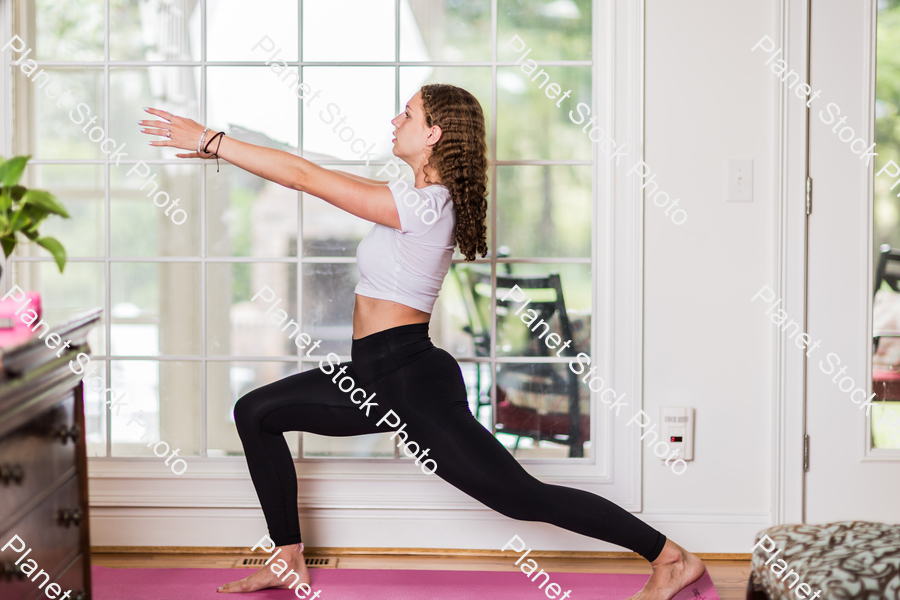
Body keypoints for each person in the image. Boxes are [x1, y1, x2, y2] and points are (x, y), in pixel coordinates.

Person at [139, 83, 705, 600]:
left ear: (433, 134)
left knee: (518, 496)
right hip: (379, 372)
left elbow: (304, 176)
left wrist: (213, 140)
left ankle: (669, 556)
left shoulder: (426, 206)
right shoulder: (409, 199)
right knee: (256, 412)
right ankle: (288, 556)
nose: (395, 119)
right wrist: (226, 150)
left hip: (405, 378)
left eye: (407, 113)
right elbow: (303, 168)